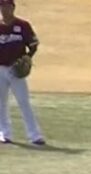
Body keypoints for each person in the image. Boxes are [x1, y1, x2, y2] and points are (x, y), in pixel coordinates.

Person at [0, 0, 44, 146]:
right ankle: (4, 134)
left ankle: (35, 135)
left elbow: (33, 45)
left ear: (13, 7)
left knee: (24, 102)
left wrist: (27, 58)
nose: (4, 9)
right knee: (1, 103)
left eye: (7, 6)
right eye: (2, 7)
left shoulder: (22, 25)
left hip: (16, 70)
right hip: (0, 69)